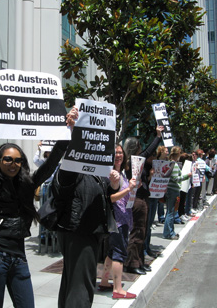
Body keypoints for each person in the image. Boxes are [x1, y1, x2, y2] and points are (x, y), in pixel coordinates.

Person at [0, 99, 77, 308]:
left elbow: (49, 165)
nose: (14, 164)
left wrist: (67, 132)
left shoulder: (27, 184)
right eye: (8, 160)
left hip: (19, 257)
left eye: (18, 160)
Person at [53, 151, 120, 307]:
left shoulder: (96, 171)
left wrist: (114, 186)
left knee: (74, 283)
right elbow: (64, 181)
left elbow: (101, 195)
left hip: (89, 232)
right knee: (81, 287)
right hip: (79, 233)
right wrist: (75, 137)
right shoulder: (72, 169)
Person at [98, 145, 137, 299]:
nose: (118, 155)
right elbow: (111, 198)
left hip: (122, 218)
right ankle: (118, 288)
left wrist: (133, 186)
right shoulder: (111, 174)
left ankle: (104, 281)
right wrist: (128, 189)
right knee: (119, 253)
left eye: (120, 152)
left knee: (111, 252)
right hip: (117, 220)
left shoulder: (120, 173)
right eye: (115, 153)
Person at [123, 126, 163, 275]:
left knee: (143, 231)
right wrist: (158, 136)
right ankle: (132, 263)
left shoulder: (136, 163)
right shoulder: (133, 161)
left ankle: (139, 261)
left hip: (142, 197)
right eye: (139, 146)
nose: (142, 149)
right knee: (137, 232)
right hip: (137, 199)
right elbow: (149, 151)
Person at [163, 146, 192, 240]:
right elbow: (176, 178)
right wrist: (186, 176)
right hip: (173, 191)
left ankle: (169, 232)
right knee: (171, 212)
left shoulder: (170, 164)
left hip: (171, 190)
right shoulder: (174, 165)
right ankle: (169, 233)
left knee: (170, 212)